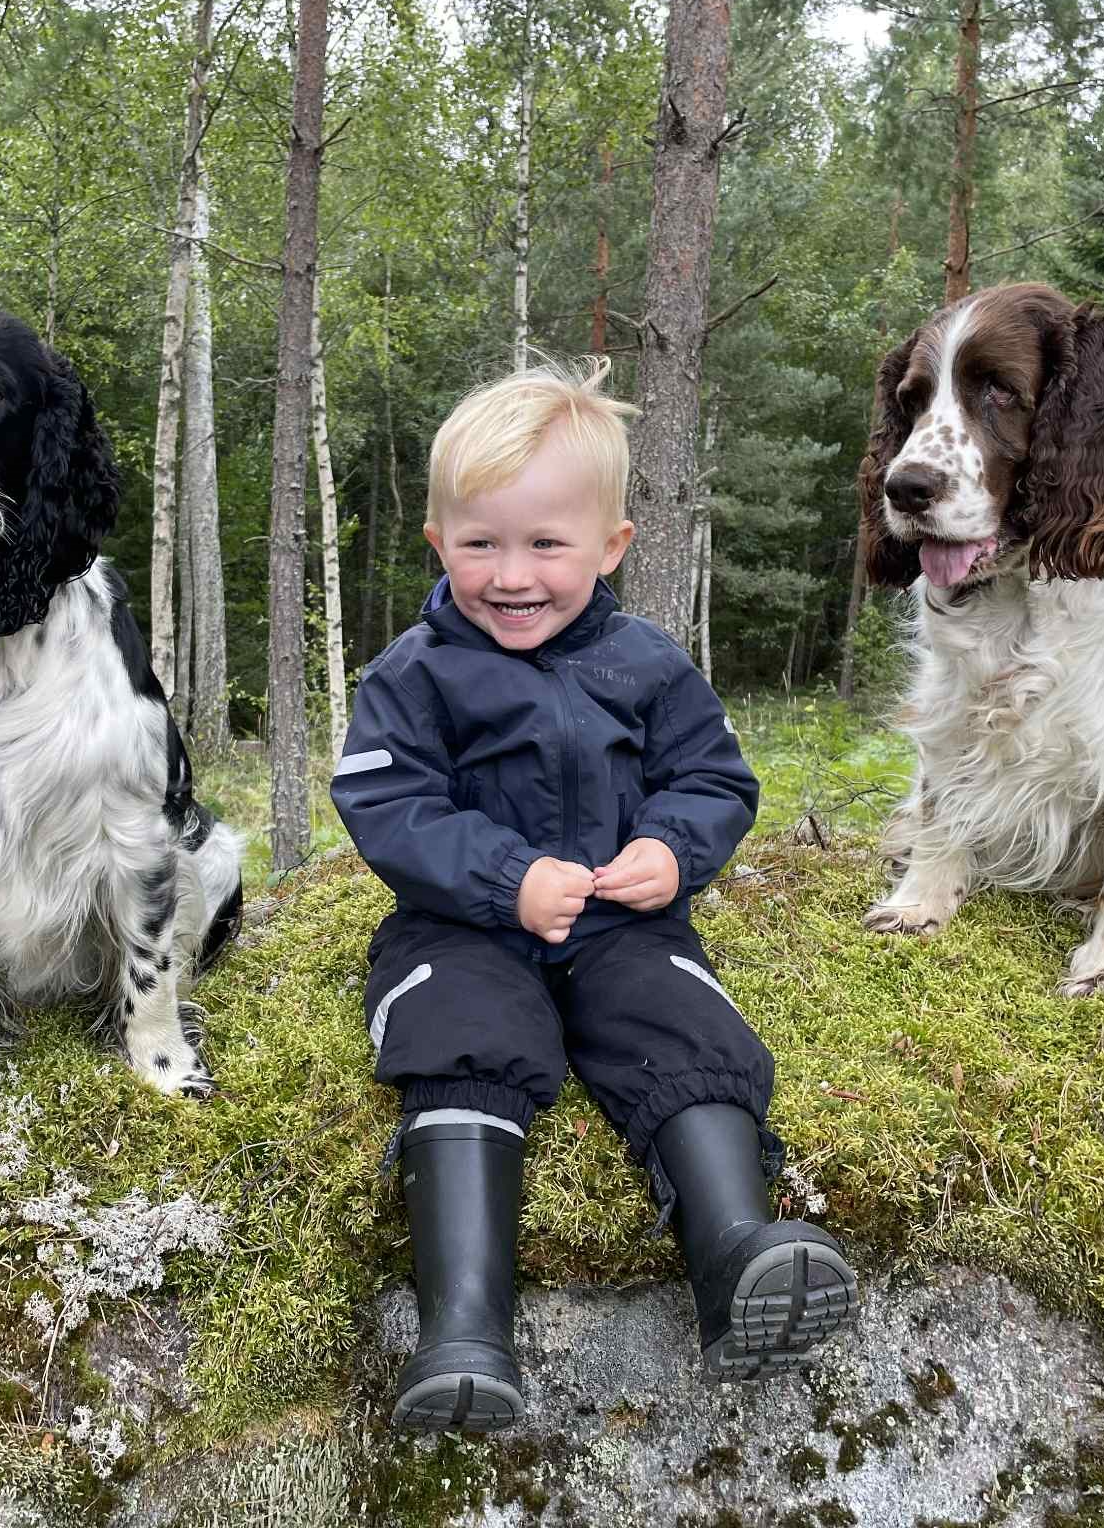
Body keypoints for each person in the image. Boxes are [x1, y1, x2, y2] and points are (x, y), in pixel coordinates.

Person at [330, 359, 858, 1433]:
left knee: (680, 1020)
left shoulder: (646, 663)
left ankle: (732, 1252)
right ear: (437, 542)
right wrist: (505, 877)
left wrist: (669, 849)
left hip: (621, 923)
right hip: (459, 927)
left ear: (611, 546)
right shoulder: (412, 674)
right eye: (480, 545)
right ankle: (463, 1331)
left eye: (545, 544)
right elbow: (386, 804)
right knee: (459, 1032)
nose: (510, 576)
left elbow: (713, 778)